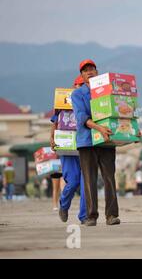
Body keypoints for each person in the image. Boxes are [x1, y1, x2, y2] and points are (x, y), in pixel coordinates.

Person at [71, 59, 120, 226]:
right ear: (82, 75)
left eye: (92, 69)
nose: (89, 72)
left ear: (97, 72)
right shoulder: (77, 94)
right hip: (87, 141)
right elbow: (81, 118)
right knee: (89, 179)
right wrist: (99, 128)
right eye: (86, 70)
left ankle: (112, 215)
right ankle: (91, 216)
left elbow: (117, 110)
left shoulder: (107, 91)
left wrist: (130, 130)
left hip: (106, 140)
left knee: (109, 178)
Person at [50, 75, 87, 224]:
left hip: (85, 145)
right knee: (72, 181)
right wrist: (52, 138)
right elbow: (54, 121)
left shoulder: (90, 101)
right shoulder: (63, 102)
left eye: (83, 85)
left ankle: (84, 216)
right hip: (66, 147)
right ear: (74, 86)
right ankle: (63, 205)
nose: (81, 88)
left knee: (86, 184)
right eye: (78, 85)